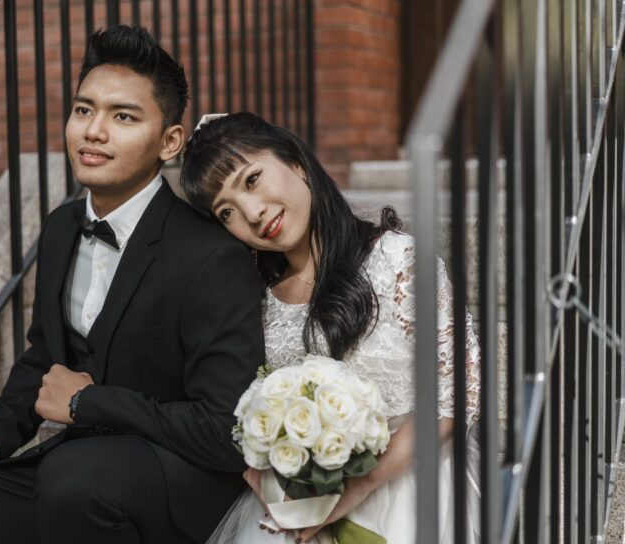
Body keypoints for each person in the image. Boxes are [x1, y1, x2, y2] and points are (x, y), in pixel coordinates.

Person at [0, 26, 265, 544]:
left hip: (175, 485)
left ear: (170, 141)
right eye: (84, 110)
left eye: (123, 116)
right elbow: (43, 359)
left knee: (77, 481)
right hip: (73, 473)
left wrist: (88, 405)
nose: (93, 131)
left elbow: (224, 429)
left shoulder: (212, 255)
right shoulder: (62, 227)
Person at [180, 112, 482, 544]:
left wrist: (357, 488)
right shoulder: (256, 303)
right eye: (226, 211)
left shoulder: (398, 261)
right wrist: (274, 484)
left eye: (252, 180)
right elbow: (240, 416)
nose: (252, 211)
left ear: (297, 163)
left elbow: (457, 388)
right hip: (303, 498)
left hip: (410, 478)